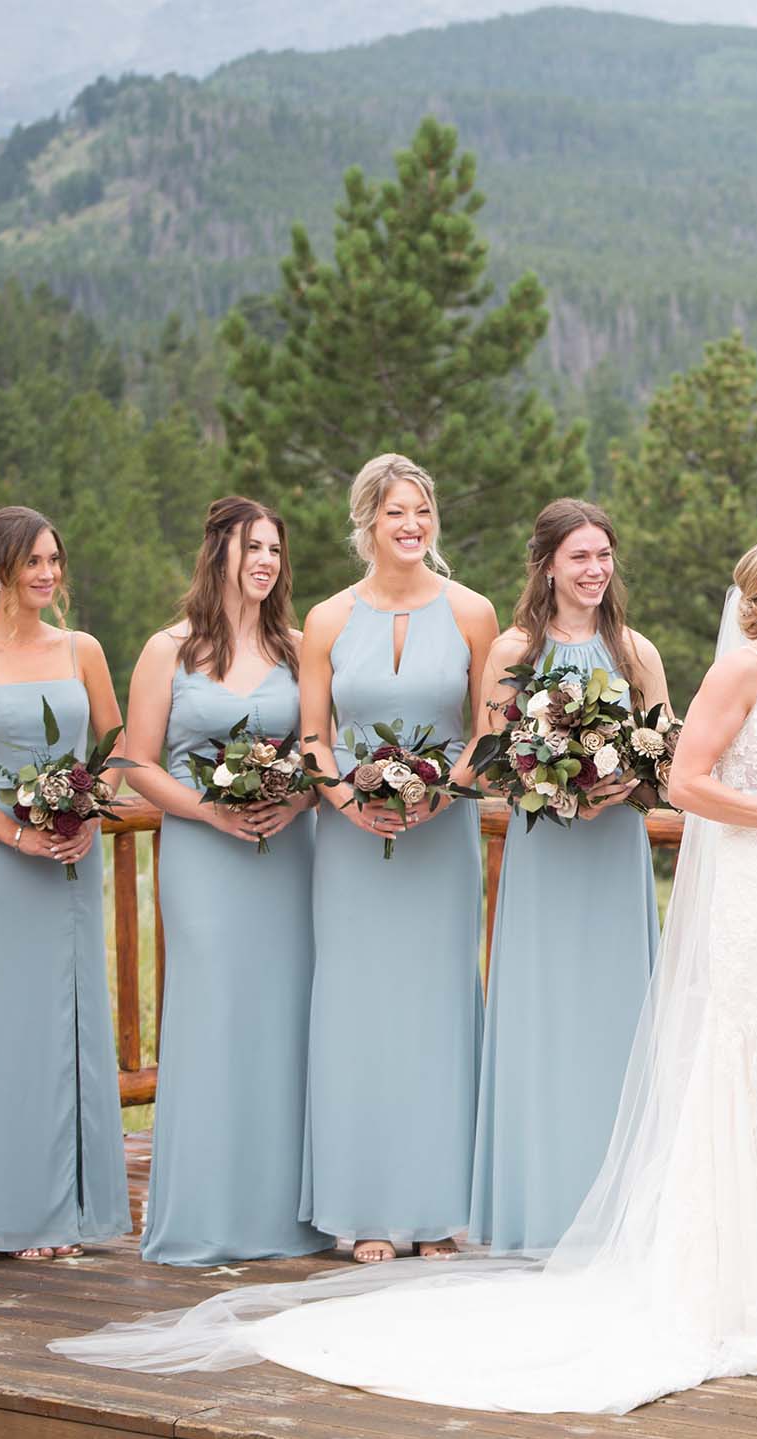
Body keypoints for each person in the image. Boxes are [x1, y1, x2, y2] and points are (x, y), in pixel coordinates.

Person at [51, 532, 757, 1413]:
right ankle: (743, 1276)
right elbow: (684, 775)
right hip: (753, 891)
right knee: (748, 1072)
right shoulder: (732, 669)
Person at [295, 454, 498, 1264]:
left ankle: (440, 1208)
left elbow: (488, 729)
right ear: (366, 524)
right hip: (349, 847)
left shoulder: (474, 612)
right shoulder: (326, 620)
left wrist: (440, 794)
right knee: (359, 1013)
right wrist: (347, 803)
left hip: (441, 838)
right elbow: (314, 735)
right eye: (394, 514)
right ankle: (367, 1209)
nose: (411, 526)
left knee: (437, 1008)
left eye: (421, 511)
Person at [122, 496, 330, 1265]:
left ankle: (286, 1215)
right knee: (212, 1016)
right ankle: (205, 1210)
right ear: (219, 554)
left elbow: (322, 752)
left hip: (287, 852)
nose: (267, 561)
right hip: (203, 856)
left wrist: (299, 796)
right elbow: (135, 761)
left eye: (276, 548)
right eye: (253, 547)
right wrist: (210, 811)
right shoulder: (168, 650)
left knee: (282, 1017)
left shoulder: (303, 649)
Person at [0, 507, 130, 1260]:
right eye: (33, 562)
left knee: (69, 1024)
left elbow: (115, 747)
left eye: (54, 561)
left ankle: (72, 1211)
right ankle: (13, 1215)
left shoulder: (83, 649)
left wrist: (87, 817)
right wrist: (15, 832)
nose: (48, 574)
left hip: (72, 855)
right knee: (4, 1028)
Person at [468, 499, 668, 1252]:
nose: (594, 569)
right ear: (547, 563)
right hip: (546, 855)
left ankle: (620, 1214)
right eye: (579, 556)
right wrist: (557, 790)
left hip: (614, 856)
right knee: (544, 1020)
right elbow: (492, 760)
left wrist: (626, 788)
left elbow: (667, 760)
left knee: (616, 1025)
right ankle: (539, 1207)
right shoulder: (513, 650)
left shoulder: (635, 652)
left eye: (604, 555)